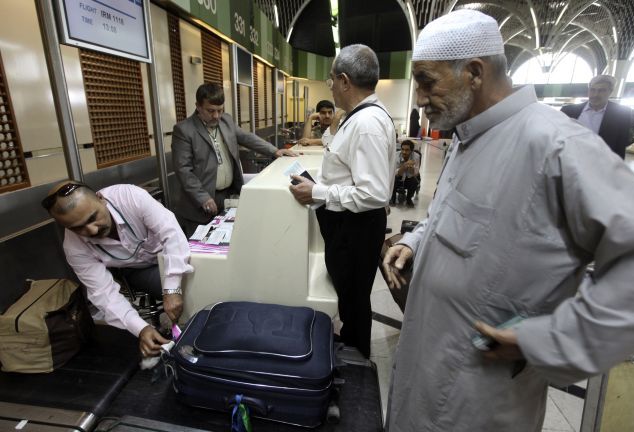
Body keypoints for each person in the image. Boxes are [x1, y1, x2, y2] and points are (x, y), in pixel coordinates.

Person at [382, 9, 634, 432]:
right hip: (426, 371)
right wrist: (417, 240)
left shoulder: (556, 145)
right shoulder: (468, 136)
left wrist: (551, 341)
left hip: (478, 402)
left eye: (427, 83)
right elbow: (455, 213)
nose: (419, 100)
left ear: (475, 73)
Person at [289, 44, 396, 358]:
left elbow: (373, 194)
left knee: (354, 300)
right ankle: (350, 343)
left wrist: (317, 192)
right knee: (350, 296)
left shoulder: (367, 125)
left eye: (332, 79)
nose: (331, 86)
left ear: (345, 81)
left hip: (356, 227)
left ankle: (356, 359)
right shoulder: (356, 118)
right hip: (347, 224)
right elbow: (343, 160)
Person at [42, 182, 193, 358]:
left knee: (205, 278)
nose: (91, 230)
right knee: (192, 292)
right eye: (77, 228)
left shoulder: (130, 197)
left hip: (168, 252)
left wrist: (172, 287)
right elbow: (104, 294)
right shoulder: (74, 247)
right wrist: (141, 328)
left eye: (92, 218)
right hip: (135, 269)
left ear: (101, 199)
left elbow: (171, 234)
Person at [172, 83, 297, 236]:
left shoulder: (226, 121)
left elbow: (246, 138)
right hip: (199, 204)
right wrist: (202, 197)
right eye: (210, 111)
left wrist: (274, 150)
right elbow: (183, 170)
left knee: (227, 241)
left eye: (220, 110)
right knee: (202, 249)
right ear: (198, 106)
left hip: (227, 196)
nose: (216, 116)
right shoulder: (184, 130)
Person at [561, 74, 634, 159]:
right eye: (592, 90)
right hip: (570, 160)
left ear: (610, 92)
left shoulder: (622, 114)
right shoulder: (568, 111)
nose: (595, 94)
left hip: (602, 163)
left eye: (601, 90)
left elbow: (620, 145)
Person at [390, 140, 420, 207]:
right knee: (392, 180)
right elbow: (394, 173)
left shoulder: (416, 156)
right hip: (398, 177)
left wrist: (411, 168)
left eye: (407, 150)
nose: (404, 152)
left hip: (409, 177)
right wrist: (404, 166)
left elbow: (415, 174)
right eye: (402, 149)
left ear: (411, 151)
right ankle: (392, 198)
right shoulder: (396, 155)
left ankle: (409, 199)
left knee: (414, 182)